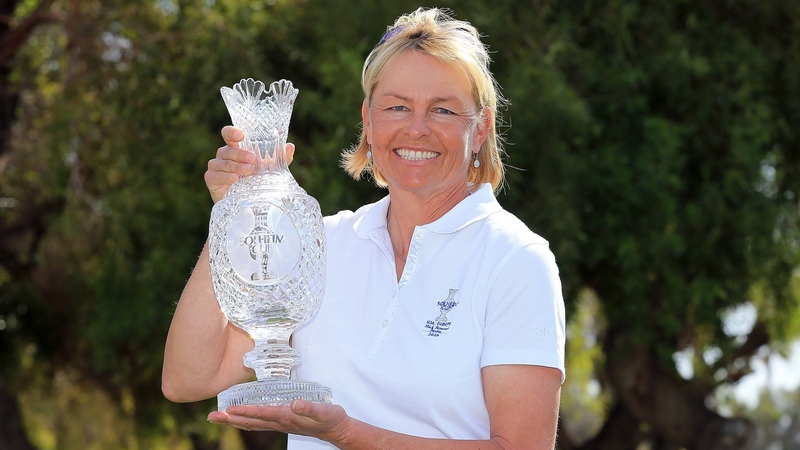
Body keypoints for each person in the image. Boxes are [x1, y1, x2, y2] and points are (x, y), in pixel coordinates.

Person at [162, 7, 566, 450]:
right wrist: (230, 215)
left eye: (443, 110)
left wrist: (347, 435)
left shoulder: (515, 259)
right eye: (397, 106)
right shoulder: (320, 243)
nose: (417, 128)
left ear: (482, 126)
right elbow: (188, 379)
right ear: (369, 122)